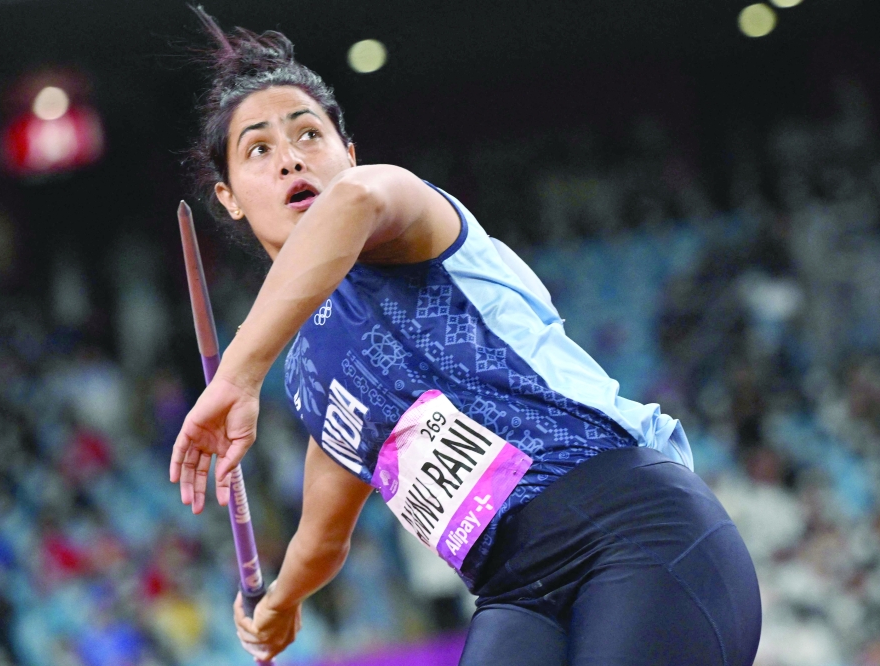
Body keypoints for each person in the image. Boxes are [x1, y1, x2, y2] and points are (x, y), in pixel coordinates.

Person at [170, 7, 762, 665]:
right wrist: (281, 601)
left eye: (309, 134)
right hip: (517, 596)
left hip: (635, 532)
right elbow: (322, 536)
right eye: (259, 148)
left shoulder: (400, 213)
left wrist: (238, 373)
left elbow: (354, 205)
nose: (290, 158)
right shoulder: (312, 367)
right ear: (227, 197)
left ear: (351, 155)